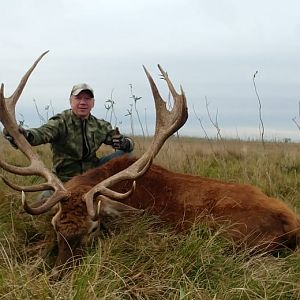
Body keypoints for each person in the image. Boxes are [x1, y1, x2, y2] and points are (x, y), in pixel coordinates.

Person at [3, 83, 134, 199]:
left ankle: (128, 191)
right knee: (43, 204)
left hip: (92, 176)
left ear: (93, 103)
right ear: (71, 101)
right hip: (65, 179)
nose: (83, 102)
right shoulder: (60, 122)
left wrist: (125, 142)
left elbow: (126, 144)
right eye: (78, 98)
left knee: (125, 156)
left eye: (87, 99)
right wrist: (25, 135)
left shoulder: (100, 125)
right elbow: (41, 133)